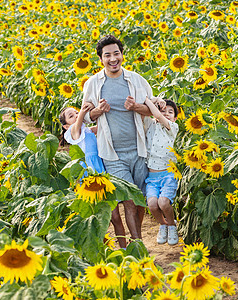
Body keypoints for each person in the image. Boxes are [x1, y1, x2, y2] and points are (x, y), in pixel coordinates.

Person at [82, 34, 165, 244]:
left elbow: (153, 110)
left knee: (139, 202)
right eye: (107, 55)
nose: (113, 59)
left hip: (139, 149)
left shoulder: (136, 80)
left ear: (122, 55)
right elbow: (85, 116)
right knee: (128, 199)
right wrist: (98, 112)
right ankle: (138, 248)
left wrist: (136, 107)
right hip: (112, 153)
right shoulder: (92, 84)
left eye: (116, 54)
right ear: (101, 59)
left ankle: (135, 244)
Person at [59, 103, 127, 249]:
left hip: (102, 172)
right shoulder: (72, 133)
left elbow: (104, 126)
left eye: (76, 112)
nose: (77, 115)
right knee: (98, 218)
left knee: (115, 216)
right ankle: (103, 249)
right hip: (89, 178)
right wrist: (83, 111)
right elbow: (77, 127)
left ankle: (124, 248)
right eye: (72, 116)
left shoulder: (87, 130)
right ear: (66, 126)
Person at [143, 96, 179, 245]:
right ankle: (163, 225)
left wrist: (147, 100)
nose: (165, 114)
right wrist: (154, 99)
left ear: (175, 118)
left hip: (168, 174)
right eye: (163, 111)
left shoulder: (173, 128)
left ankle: (172, 225)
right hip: (152, 176)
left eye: (170, 112)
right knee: (152, 204)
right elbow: (145, 116)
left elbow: (156, 115)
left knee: (163, 203)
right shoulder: (151, 125)